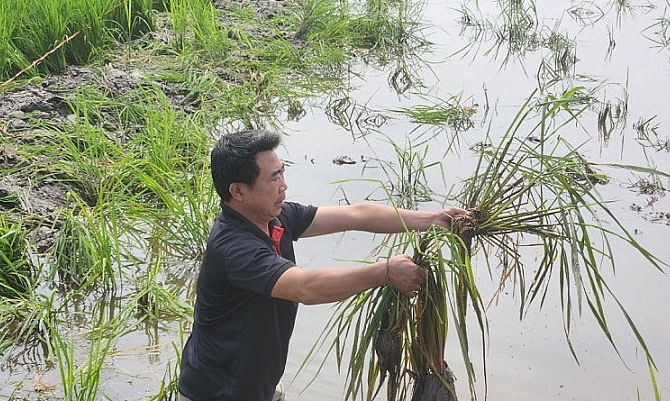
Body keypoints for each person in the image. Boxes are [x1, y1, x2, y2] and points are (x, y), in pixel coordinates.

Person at [177, 129, 469, 401]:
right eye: (273, 178)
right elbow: (306, 288)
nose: (284, 185)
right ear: (238, 191)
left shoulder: (274, 219)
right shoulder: (235, 248)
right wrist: (385, 272)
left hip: (255, 386)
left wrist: (432, 220)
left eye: (283, 172)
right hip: (217, 393)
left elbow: (358, 215)